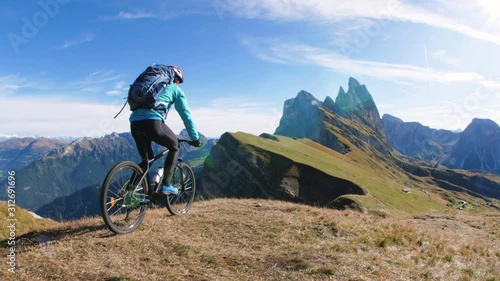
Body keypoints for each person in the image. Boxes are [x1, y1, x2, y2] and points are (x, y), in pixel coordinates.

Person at [129, 65, 201, 197]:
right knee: (174, 146)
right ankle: (167, 185)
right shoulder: (175, 89)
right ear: (176, 79)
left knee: (147, 160)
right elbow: (186, 115)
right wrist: (195, 138)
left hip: (134, 123)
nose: (178, 83)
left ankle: (129, 191)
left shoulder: (150, 83)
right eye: (179, 81)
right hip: (153, 122)